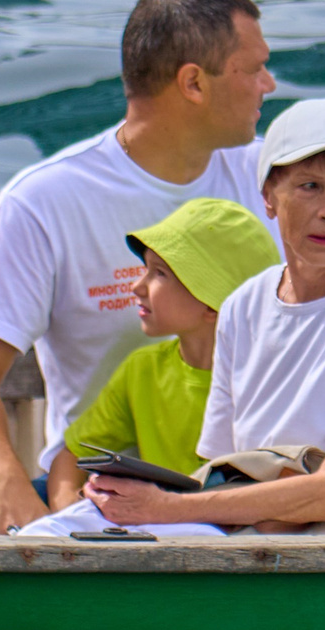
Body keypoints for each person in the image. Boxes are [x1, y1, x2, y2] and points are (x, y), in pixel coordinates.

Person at [0, 0, 275, 533]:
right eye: (253, 68)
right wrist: (4, 485)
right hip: (99, 487)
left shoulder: (277, 181)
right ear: (193, 83)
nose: (269, 84)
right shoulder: (45, 201)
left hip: (249, 483)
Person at [87, 100, 325, 535]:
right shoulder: (245, 305)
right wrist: (127, 498)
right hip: (260, 551)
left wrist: (159, 508)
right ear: (268, 198)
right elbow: (224, 472)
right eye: (310, 186)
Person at [45, 197, 283, 495]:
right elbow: (70, 458)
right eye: (146, 268)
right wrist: (68, 526)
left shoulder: (275, 382)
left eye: (159, 273)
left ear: (213, 303)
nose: (137, 286)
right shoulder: (142, 370)